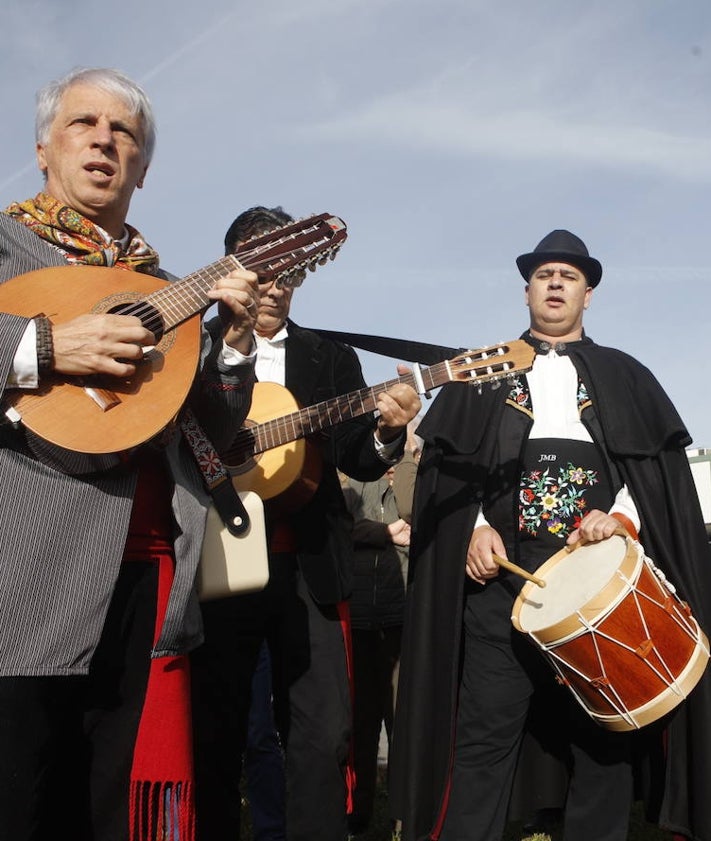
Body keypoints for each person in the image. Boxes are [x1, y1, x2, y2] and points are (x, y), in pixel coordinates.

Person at [0, 67, 260, 841]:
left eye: (126, 134)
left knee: (112, 800)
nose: (106, 141)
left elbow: (218, 440)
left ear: (142, 169)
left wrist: (235, 348)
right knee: (20, 791)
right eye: (85, 124)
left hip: (147, 572)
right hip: (23, 568)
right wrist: (47, 343)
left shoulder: (170, 289)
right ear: (44, 147)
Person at [389, 230, 711, 841]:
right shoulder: (485, 369)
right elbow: (451, 473)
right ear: (527, 290)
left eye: (568, 275)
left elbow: (650, 477)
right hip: (501, 586)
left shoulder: (624, 374)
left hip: (596, 587)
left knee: (603, 747)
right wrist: (476, 530)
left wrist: (617, 519)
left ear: (588, 294)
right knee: (484, 739)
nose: (556, 283)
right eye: (544, 274)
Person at [190, 205, 422, 841]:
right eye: (259, 267)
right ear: (229, 270)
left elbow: (358, 458)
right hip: (215, 563)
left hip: (309, 567)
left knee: (322, 734)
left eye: (286, 268)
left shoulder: (330, 359)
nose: (273, 282)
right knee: (216, 727)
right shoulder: (190, 346)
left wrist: (385, 431)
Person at [341, 451, 413, 839]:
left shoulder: (409, 475)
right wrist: (384, 533)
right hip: (361, 618)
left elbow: (418, 517)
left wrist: (405, 466)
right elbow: (345, 529)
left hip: (402, 618)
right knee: (362, 723)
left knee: (402, 720)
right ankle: (359, 811)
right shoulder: (354, 481)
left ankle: (404, 812)